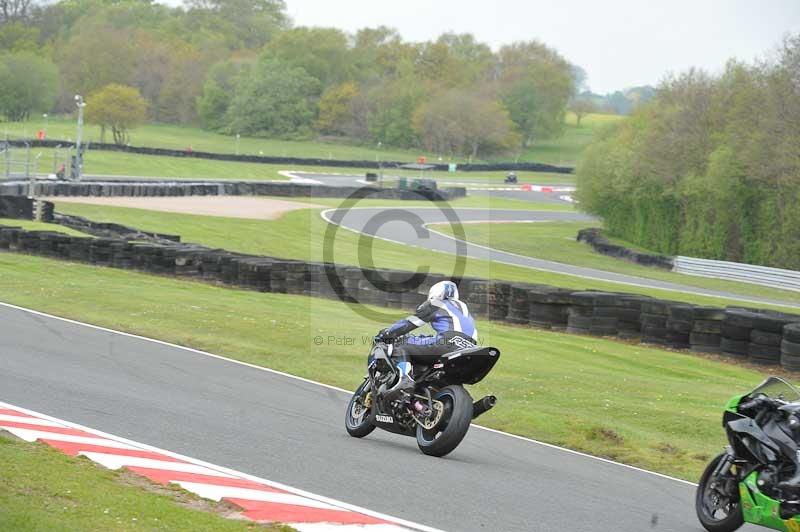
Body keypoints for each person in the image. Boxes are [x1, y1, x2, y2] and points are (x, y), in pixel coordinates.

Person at [374, 280, 478, 399]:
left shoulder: (436, 303)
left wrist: (386, 333)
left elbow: (410, 323)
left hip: (447, 342)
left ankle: (405, 381)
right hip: (470, 349)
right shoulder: (464, 309)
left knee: (400, 344)